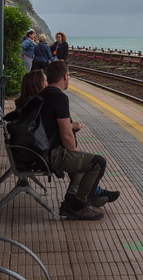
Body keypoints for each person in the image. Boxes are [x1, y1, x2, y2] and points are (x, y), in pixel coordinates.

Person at [12, 69, 119, 212]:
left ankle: (93, 194)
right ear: (36, 84)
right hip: (41, 156)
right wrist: (72, 126)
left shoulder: (29, 105)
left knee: (78, 158)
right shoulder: (39, 104)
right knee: (87, 161)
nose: (47, 83)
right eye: (44, 81)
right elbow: (55, 131)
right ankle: (76, 202)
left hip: (32, 153)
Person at [41, 61, 108, 220]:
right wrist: (75, 154)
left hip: (36, 150)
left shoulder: (43, 94)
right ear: (65, 77)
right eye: (69, 75)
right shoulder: (59, 97)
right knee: (98, 163)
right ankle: (79, 207)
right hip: (47, 154)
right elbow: (66, 135)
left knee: (83, 162)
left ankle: (70, 203)